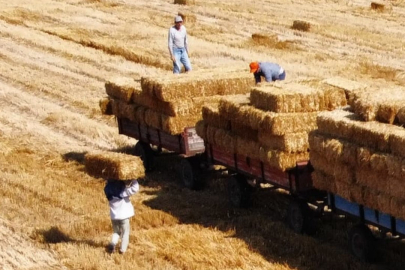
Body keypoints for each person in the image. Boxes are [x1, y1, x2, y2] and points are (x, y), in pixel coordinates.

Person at [104, 178, 140, 254]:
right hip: (124, 217)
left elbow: (108, 183)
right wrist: (133, 179)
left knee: (116, 232)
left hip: (114, 217)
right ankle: (122, 250)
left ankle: (113, 243)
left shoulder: (108, 193)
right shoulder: (123, 193)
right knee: (125, 233)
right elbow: (135, 188)